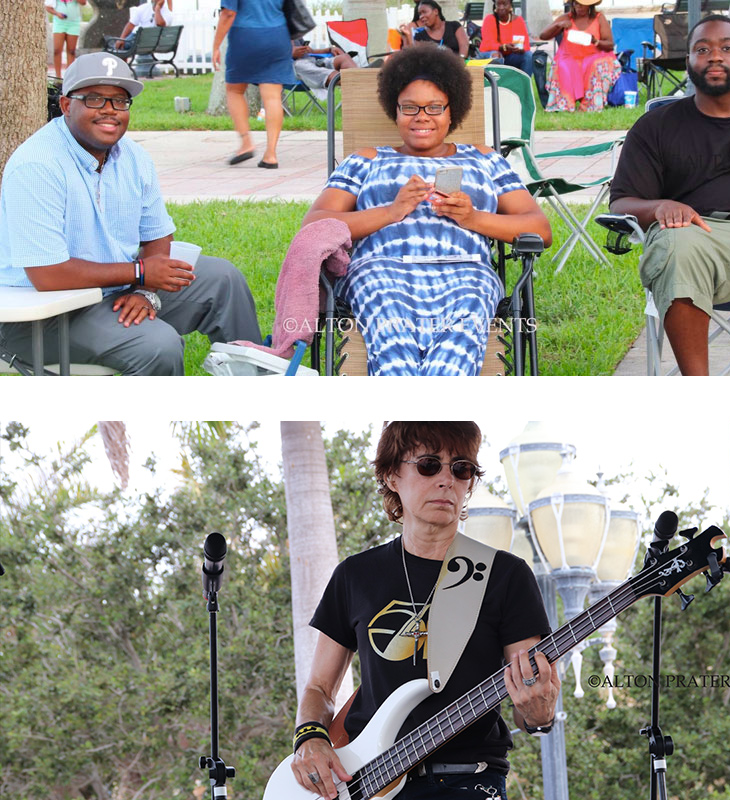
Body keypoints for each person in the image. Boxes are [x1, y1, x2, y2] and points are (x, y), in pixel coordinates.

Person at [291, 421, 560, 800]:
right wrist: (310, 737)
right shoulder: (355, 575)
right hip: (368, 783)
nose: (447, 480)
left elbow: (528, 699)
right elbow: (319, 687)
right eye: (429, 465)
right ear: (391, 475)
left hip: (469, 781)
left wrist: (538, 712)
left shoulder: (505, 575)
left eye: (461, 468)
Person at [0, 53, 261, 376]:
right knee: (158, 345)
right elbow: (48, 275)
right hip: (40, 314)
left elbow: (158, 235)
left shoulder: (133, 157)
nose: (109, 109)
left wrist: (145, 291)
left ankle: (253, 387)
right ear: (66, 105)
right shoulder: (38, 166)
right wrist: (139, 273)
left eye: (120, 101)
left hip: (115, 288)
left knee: (222, 279)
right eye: (94, 99)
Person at [302, 45, 551, 376]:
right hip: (381, 271)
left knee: (467, 315)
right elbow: (315, 225)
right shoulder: (366, 159)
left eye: (435, 107)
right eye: (409, 107)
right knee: (389, 323)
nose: (422, 116)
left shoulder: (484, 158)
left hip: (467, 271)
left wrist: (472, 218)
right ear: (395, 111)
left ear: (452, 111)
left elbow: (539, 229)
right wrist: (391, 211)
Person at [609, 15, 730, 376]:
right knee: (673, 245)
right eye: (702, 49)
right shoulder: (655, 127)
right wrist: (660, 206)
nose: (714, 56)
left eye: (727, 48)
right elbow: (622, 202)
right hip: (701, 240)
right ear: (688, 62)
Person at [212, 0, 293, 169]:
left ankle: (246, 143)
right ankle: (271, 154)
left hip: (246, 36)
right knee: (273, 96)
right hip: (278, 35)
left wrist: (216, 46)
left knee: (234, 90)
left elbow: (228, 13)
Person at [539, 0, 620, 112]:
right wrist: (558, 25)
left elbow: (610, 44)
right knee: (562, 65)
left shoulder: (599, 18)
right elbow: (543, 36)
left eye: (582, 5)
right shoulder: (567, 17)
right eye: (576, 4)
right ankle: (565, 104)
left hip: (594, 55)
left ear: (590, 6)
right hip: (569, 56)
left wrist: (595, 41)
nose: (579, 7)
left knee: (595, 65)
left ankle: (590, 104)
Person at [478, 0, 534, 77]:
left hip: (511, 56)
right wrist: (503, 47)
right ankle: (496, 83)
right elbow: (487, 45)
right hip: (491, 55)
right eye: (498, 4)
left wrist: (521, 49)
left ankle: (524, 83)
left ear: (510, 5)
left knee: (528, 55)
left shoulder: (518, 20)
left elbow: (526, 46)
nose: (501, 7)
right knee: (496, 55)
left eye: (505, 4)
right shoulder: (489, 19)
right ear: (495, 5)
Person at [291, 39, 358, 101]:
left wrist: (330, 49)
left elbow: (311, 51)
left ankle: (360, 84)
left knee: (344, 58)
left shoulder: (295, 32)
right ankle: (360, 86)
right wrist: (290, 53)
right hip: (294, 68)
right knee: (336, 75)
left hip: (313, 62)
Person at [399, 1, 469, 57]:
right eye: (420, 14)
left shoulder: (454, 26)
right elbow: (415, 55)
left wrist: (460, 60)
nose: (421, 16)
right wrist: (407, 36)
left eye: (424, 12)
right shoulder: (420, 36)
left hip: (458, 66)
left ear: (436, 11)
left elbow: (464, 45)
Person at [46, 0, 87, 79]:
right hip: (59, 23)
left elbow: (83, 3)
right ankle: (58, 77)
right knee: (57, 50)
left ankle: (69, 76)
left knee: (71, 50)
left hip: (73, 23)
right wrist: (57, 13)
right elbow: (48, 7)